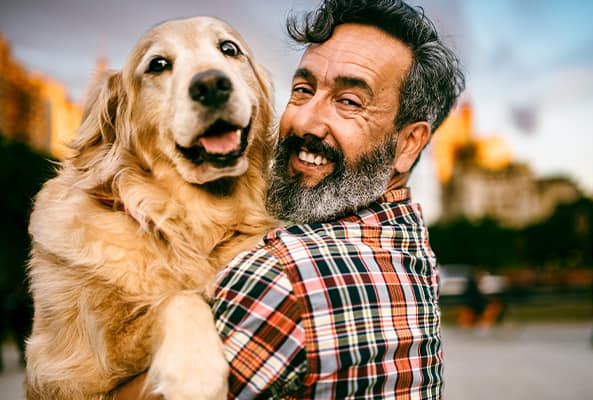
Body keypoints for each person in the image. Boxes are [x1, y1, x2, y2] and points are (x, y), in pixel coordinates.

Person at [117, 0, 464, 398]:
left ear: (409, 143)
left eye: (349, 102)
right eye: (303, 90)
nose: (303, 121)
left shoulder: (281, 277)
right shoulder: (412, 258)